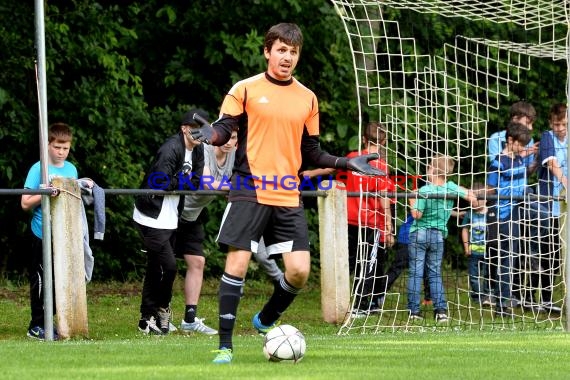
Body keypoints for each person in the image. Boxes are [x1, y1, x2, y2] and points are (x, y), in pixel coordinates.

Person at [189, 23, 382, 364]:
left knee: (299, 272)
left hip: (287, 193)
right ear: (267, 51)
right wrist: (210, 135)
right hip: (249, 187)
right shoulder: (245, 89)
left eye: (293, 52)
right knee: (238, 263)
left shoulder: (307, 98)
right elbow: (223, 129)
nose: (287, 57)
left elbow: (312, 153)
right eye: (281, 50)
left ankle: (264, 320)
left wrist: (346, 163)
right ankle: (224, 346)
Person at [133, 109, 205, 335]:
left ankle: (147, 319)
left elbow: (195, 182)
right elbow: (161, 182)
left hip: (171, 217)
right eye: (196, 130)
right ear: (185, 129)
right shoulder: (170, 149)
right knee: (169, 266)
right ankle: (161, 310)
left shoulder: (198, 150)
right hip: (151, 215)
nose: (200, 135)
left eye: (204, 131)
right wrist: (181, 182)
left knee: (156, 267)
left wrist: (181, 182)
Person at [176, 127, 238, 335]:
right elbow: (208, 182)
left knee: (198, 262)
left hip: (192, 216)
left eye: (234, 138)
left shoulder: (234, 156)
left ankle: (190, 320)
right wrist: (234, 188)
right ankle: (155, 315)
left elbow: (239, 183)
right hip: (171, 211)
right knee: (163, 265)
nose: (229, 142)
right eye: (225, 138)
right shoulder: (203, 150)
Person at [21, 122, 78, 340]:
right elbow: (25, 203)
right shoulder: (38, 168)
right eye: (57, 147)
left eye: (65, 148)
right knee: (41, 282)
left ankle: (51, 321)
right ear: (48, 145)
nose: (61, 152)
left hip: (63, 234)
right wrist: (45, 193)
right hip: (40, 234)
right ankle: (36, 325)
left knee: (59, 281)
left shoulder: (72, 169)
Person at [407, 154, 477, 323]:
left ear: (432, 170)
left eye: (429, 167)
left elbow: (417, 215)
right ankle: (441, 311)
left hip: (420, 233)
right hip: (438, 235)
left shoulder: (424, 191)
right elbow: (472, 198)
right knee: (434, 273)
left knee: (416, 272)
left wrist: (411, 199)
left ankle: (414, 311)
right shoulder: (451, 187)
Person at [338, 122, 395, 316]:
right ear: (384, 141)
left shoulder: (352, 158)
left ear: (363, 139)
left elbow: (333, 170)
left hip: (350, 220)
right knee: (367, 264)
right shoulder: (380, 165)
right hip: (370, 222)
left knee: (349, 261)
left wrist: (312, 172)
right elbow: (382, 197)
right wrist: (388, 224)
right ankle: (360, 306)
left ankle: (343, 299)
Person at [486, 121, 532, 316]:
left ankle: (505, 302)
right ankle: (499, 302)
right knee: (500, 258)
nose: (523, 149)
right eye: (521, 144)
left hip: (515, 213)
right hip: (500, 214)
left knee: (510, 260)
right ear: (510, 141)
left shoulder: (520, 160)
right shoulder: (498, 162)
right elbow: (490, 189)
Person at [528, 102, 567, 313]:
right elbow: (552, 165)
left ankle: (547, 298)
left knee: (555, 257)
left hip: (565, 210)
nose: (559, 128)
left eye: (562, 124)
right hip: (545, 205)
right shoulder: (546, 137)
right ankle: (532, 297)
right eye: (556, 124)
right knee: (541, 254)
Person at [460, 182, 492, 306]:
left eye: (475, 199)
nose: (472, 202)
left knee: (488, 274)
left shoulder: (491, 213)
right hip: (473, 251)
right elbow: (464, 229)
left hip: (487, 251)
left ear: (484, 200)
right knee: (474, 276)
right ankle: (477, 296)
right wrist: (466, 246)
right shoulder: (469, 214)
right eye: (470, 199)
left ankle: (488, 296)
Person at [487, 100, 539, 172]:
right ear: (515, 120)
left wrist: (537, 159)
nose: (531, 128)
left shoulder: (529, 140)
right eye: (528, 123)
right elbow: (497, 168)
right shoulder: (496, 138)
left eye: (532, 124)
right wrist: (522, 154)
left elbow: (527, 170)